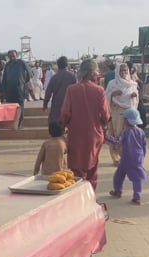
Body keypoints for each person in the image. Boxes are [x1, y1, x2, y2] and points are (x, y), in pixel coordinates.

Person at [61, 59, 111, 190]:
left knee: (76, 169)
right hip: (95, 135)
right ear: (90, 72)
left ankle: (77, 198)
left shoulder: (71, 90)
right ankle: (90, 197)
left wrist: (64, 127)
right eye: (96, 71)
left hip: (76, 135)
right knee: (92, 168)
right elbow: (106, 115)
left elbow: (65, 114)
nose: (98, 74)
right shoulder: (99, 91)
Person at [106, 108, 148, 206]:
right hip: (138, 158)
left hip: (126, 158)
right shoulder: (141, 132)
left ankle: (118, 191)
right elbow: (144, 146)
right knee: (137, 178)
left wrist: (105, 136)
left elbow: (117, 141)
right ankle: (137, 197)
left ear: (126, 121)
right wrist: (142, 157)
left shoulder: (126, 132)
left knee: (119, 176)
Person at [105, 63, 139, 166]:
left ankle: (127, 158)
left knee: (129, 136)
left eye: (125, 70)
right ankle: (116, 159)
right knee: (116, 135)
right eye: (121, 71)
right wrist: (113, 94)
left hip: (129, 112)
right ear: (117, 72)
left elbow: (136, 97)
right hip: (116, 112)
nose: (124, 73)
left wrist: (134, 96)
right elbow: (106, 97)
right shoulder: (112, 84)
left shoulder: (132, 84)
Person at [2, 49, 31, 127]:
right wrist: (4, 89)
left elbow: (29, 72)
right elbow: (4, 77)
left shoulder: (21, 63)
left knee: (20, 107)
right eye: (10, 56)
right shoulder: (7, 65)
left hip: (20, 90)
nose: (12, 58)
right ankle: (12, 123)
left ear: (16, 56)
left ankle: (19, 123)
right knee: (11, 107)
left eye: (13, 56)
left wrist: (24, 82)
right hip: (10, 90)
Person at [43, 56, 76, 124]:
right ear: (67, 65)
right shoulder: (72, 77)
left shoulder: (54, 77)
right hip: (69, 106)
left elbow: (48, 93)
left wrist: (45, 104)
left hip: (56, 106)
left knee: (56, 128)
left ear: (58, 65)